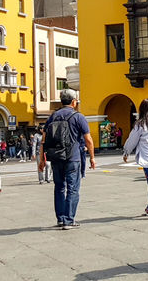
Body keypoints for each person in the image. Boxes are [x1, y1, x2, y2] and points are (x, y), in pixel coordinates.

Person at [39, 89, 96, 229]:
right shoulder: (78, 116)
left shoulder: (53, 116)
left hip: (56, 157)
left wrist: (42, 159)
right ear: (74, 101)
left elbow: (43, 140)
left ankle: (60, 219)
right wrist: (92, 157)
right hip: (73, 157)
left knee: (59, 187)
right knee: (73, 188)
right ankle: (69, 220)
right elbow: (88, 139)